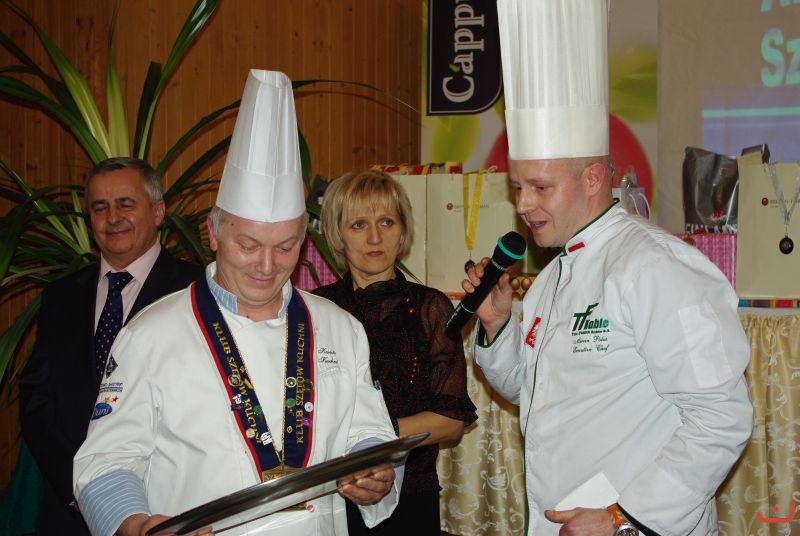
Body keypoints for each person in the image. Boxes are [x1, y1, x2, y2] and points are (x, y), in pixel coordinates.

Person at [461, 1, 754, 535]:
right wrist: (499, 325)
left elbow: (721, 417)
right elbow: (533, 394)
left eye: (541, 187)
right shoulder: (551, 278)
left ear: (594, 179)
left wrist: (623, 517)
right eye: (517, 187)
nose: (523, 204)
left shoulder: (655, 266)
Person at [73, 70, 401, 536]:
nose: (266, 265)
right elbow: (106, 462)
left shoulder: (339, 327)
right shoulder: (150, 334)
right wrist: (139, 525)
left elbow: (369, 431)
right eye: (248, 245)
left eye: (285, 246)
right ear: (213, 232)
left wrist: (376, 472)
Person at [18, 157, 203, 536]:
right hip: (69, 511)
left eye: (125, 204)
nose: (112, 217)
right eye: (100, 207)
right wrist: (81, 489)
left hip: (163, 509)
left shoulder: (197, 291)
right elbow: (37, 401)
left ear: (158, 212)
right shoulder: (61, 296)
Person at [313, 170, 477, 534]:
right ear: (337, 234)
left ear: (403, 232)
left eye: (386, 222)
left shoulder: (430, 308)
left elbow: (451, 420)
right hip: (331, 500)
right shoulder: (316, 310)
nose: (375, 237)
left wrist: (365, 444)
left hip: (412, 502)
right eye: (358, 224)